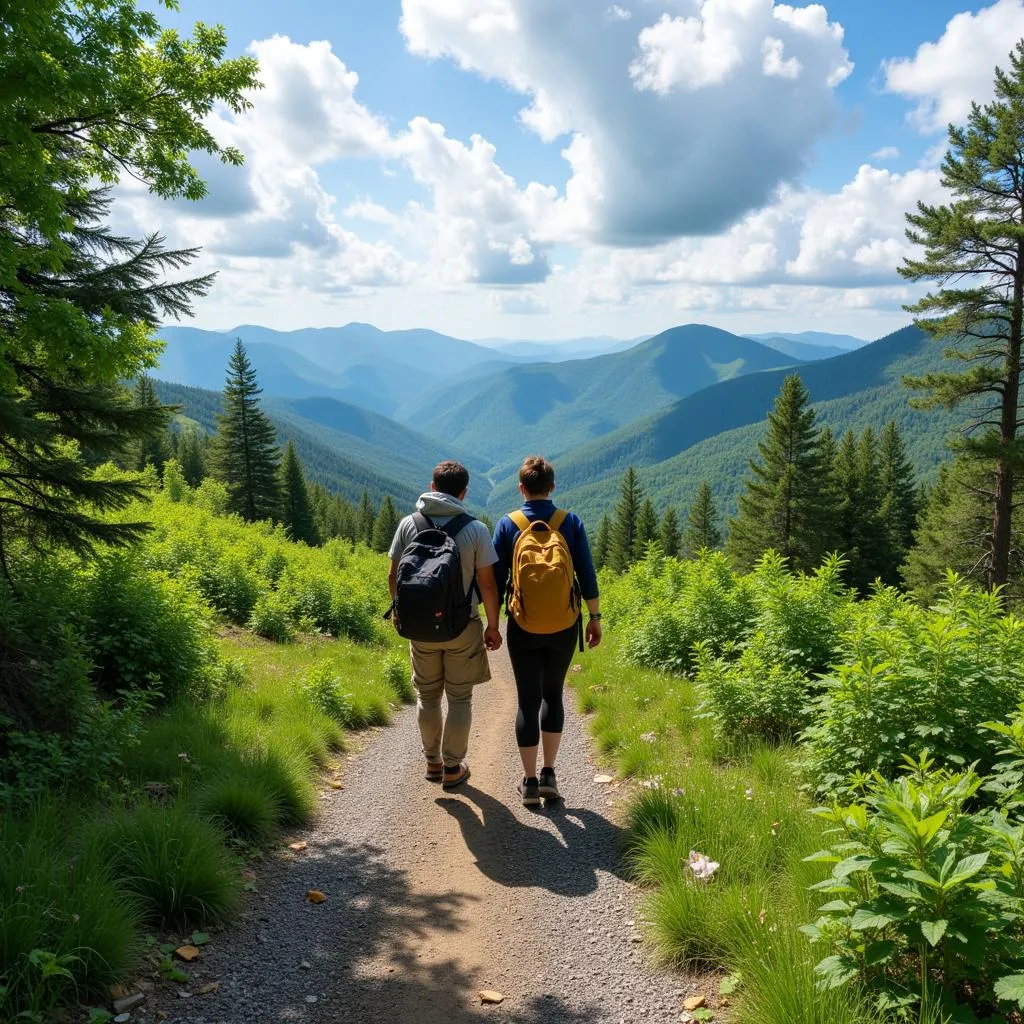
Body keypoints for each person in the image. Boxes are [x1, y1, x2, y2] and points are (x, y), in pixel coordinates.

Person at [492, 456, 601, 807]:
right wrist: (595, 617)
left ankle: (527, 783)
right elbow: (586, 572)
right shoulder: (570, 523)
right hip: (565, 625)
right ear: (552, 486)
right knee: (553, 695)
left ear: (521, 488)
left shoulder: (508, 525)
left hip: (522, 625)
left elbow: (494, 582)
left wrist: (493, 624)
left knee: (527, 699)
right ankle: (549, 774)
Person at [388, 461, 502, 790]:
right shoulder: (476, 530)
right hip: (462, 626)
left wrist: (401, 612)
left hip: (420, 627)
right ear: (464, 492)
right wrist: (493, 626)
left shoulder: (409, 524)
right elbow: (488, 585)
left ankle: (432, 762)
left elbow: (393, 575)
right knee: (460, 698)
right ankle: (453, 768)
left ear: (432, 486)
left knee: (427, 696)